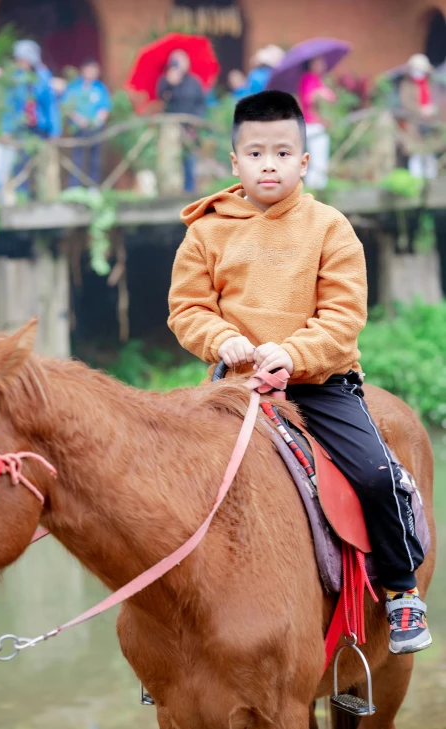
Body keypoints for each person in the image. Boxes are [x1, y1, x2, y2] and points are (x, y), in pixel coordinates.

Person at [168, 90, 431, 656]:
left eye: (284, 153)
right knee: (168, 483)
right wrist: (225, 341)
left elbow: (343, 315)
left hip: (319, 385)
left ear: (305, 162)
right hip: (234, 385)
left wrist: (291, 353)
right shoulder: (206, 231)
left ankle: (401, 589)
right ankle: (170, 632)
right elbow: (188, 310)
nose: (270, 163)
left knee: (375, 475)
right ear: (234, 162)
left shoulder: (330, 228)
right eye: (256, 152)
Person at [3, 40, 61, 194]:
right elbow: (10, 105)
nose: (19, 62)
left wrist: (54, 130)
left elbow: (50, 105)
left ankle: (45, 198)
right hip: (21, 128)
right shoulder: (16, 78)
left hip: (41, 129)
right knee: (20, 166)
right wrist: (7, 129)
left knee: (43, 166)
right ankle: (22, 199)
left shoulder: (43, 77)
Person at [157, 50, 205, 193]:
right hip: (171, 128)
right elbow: (161, 96)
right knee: (170, 161)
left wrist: (196, 121)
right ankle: (170, 192)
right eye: (175, 61)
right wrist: (170, 83)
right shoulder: (166, 80)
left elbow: (201, 103)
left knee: (189, 161)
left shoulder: (194, 82)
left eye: (181, 61)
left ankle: (189, 192)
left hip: (189, 128)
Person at [62, 59, 112, 187]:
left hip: (95, 129)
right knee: (77, 159)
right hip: (78, 128)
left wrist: (97, 120)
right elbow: (66, 106)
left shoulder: (100, 88)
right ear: (83, 70)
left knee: (95, 160)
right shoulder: (74, 87)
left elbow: (105, 107)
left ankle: (93, 187)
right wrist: (78, 119)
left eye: (94, 70)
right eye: (89, 69)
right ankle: (74, 188)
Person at [298, 57, 336, 189]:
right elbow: (309, 99)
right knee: (316, 160)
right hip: (312, 125)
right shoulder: (308, 78)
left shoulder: (320, 80)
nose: (322, 65)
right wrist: (321, 93)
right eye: (318, 62)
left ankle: (319, 187)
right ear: (311, 64)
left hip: (320, 124)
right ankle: (315, 189)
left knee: (321, 158)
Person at [399, 54, 438, 179]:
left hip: (430, 124)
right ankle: (416, 179)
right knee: (415, 152)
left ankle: (431, 178)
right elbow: (406, 103)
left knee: (429, 152)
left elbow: (438, 101)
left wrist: (432, 110)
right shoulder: (406, 85)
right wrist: (421, 110)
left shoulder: (430, 85)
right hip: (414, 124)